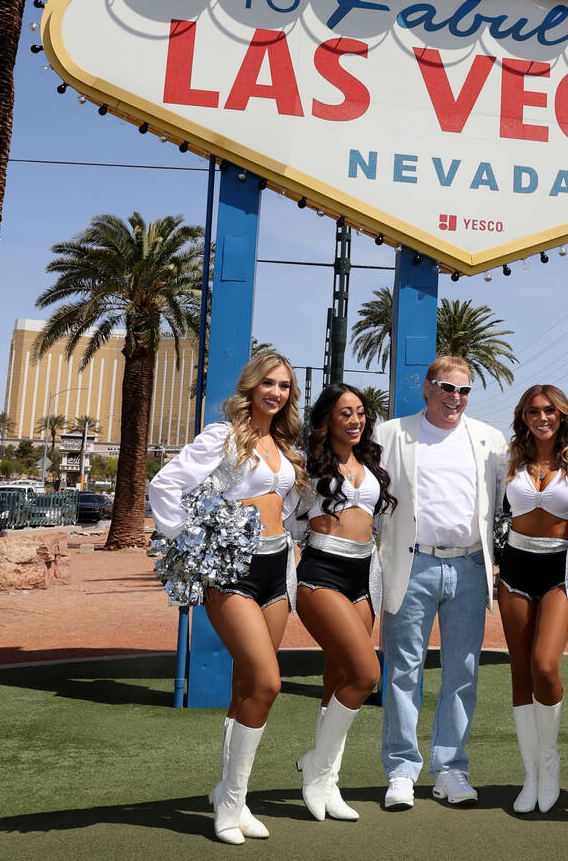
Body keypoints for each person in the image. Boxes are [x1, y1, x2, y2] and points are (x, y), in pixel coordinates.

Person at [149, 352, 305, 845]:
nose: (275, 392)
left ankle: (229, 794)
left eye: (284, 386)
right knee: (267, 681)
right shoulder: (221, 436)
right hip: (231, 570)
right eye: (268, 383)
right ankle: (232, 803)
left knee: (246, 686)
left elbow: (291, 505)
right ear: (251, 386)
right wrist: (192, 542)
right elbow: (165, 484)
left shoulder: (284, 445)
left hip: (277, 569)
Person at [375, 356, 507, 810]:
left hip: (470, 568)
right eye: (447, 388)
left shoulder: (492, 440)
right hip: (413, 566)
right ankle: (400, 771)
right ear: (427, 389)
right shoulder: (389, 434)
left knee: (462, 672)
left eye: (464, 391)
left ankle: (451, 769)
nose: (456, 398)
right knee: (403, 670)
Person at [294, 383, 396, 821]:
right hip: (322, 570)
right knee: (365, 673)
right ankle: (316, 769)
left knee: (337, 677)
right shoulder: (307, 463)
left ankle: (327, 778)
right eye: (344, 414)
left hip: (364, 573)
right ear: (326, 420)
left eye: (360, 413)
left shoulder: (371, 462)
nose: (355, 421)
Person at [498, 384, 568, 814]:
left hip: (558, 569)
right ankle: (530, 774)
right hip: (514, 568)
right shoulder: (508, 458)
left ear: (562, 415)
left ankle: (549, 763)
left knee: (545, 665)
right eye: (533, 411)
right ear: (524, 417)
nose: (542, 418)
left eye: (549, 410)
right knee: (520, 670)